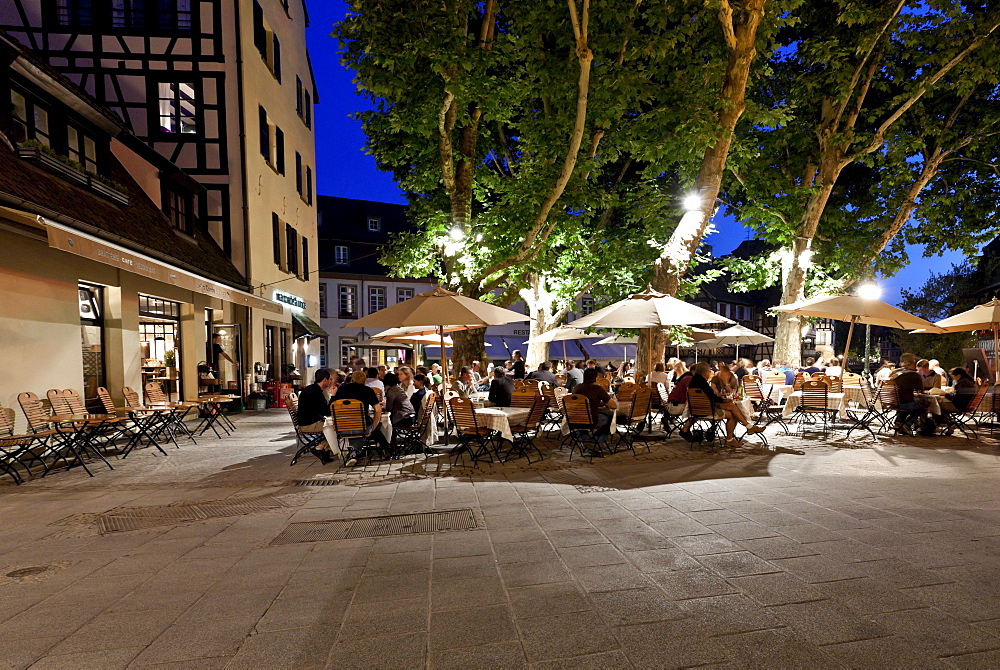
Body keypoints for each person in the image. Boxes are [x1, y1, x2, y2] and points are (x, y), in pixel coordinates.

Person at [682, 362, 763, 447]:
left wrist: (723, 400)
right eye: (709, 371)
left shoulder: (694, 381)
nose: (710, 373)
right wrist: (724, 400)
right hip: (708, 412)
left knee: (731, 406)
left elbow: (710, 397)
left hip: (697, 410)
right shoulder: (703, 383)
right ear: (706, 372)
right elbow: (712, 397)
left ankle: (748, 427)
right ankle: (732, 437)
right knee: (732, 414)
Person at [334, 370, 391, 463]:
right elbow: (377, 409)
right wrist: (374, 425)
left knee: (355, 427)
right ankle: (385, 448)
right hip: (361, 425)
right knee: (371, 428)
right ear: (365, 381)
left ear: (352, 379)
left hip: (342, 426)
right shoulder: (367, 390)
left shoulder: (341, 390)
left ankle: (354, 452)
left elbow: (333, 406)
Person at [297, 368, 336, 464]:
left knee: (335, 425)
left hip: (309, 421)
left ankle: (324, 448)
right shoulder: (315, 393)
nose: (330, 381)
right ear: (325, 379)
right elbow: (326, 411)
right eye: (329, 379)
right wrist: (334, 396)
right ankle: (321, 447)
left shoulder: (312, 389)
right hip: (308, 424)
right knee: (337, 427)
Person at [573, 368, 618, 434]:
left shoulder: (576, 388)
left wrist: (598, 403)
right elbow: (613, 406)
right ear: (595, 378)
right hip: (592, 421)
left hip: (575, 420)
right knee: (609, 416)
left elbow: (583, 403)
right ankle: (599, 438)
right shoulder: (597, 389)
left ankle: (584, 436)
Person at [892, 353, 926, 435]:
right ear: (913, 363)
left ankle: (899, 422)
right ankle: (907, 424)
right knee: (920, 406)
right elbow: (920, 390)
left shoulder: (894, 373)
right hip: (902, 404)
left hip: (890, 403)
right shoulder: (914, 375)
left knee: (908, 402)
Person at [939, 367, 978, 433]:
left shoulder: (963, 383)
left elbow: (956, 398)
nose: (953, 378)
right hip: (967, 405)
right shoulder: (968, 381)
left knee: (938, 405)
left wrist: (945, 394)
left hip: (960, 406)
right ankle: (950, 422)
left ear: (958, 375)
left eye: (953, 376)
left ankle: (949, 422)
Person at [383, 373, 415, 438]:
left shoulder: (391, 391)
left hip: (403, 418)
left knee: (386, 423)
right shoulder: (398, 388)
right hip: (411, 416)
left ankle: (388, 442)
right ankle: (392, 443)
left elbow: (389, 408)